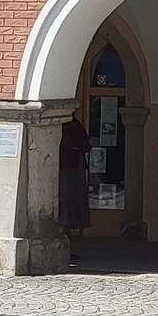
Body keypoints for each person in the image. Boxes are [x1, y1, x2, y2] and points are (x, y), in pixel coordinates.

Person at [57, 108, 91, 257]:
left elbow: (84, 143)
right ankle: (62, 246)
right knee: (65, 204)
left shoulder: (73, 124)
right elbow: (73, 144)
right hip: (66, 168)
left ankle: (67, 246)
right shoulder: (64, 124)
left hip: (73, 166)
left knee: (70, 205)